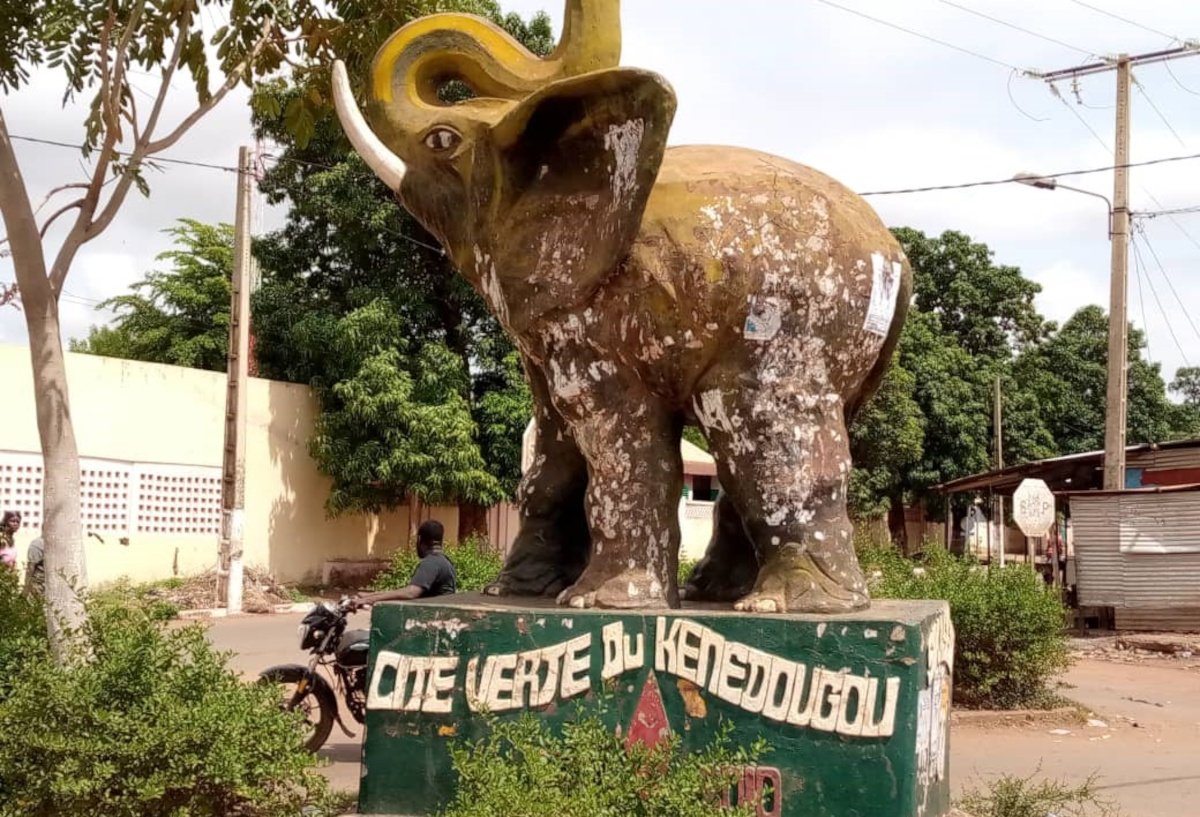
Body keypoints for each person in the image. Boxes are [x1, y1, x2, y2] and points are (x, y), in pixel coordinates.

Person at [352, 520, 456, 608]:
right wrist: (370, 595)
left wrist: (369, 600)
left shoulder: (430, 563)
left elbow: (410, 593)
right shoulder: (445, 562)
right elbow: (407, 590)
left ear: (419, 540)